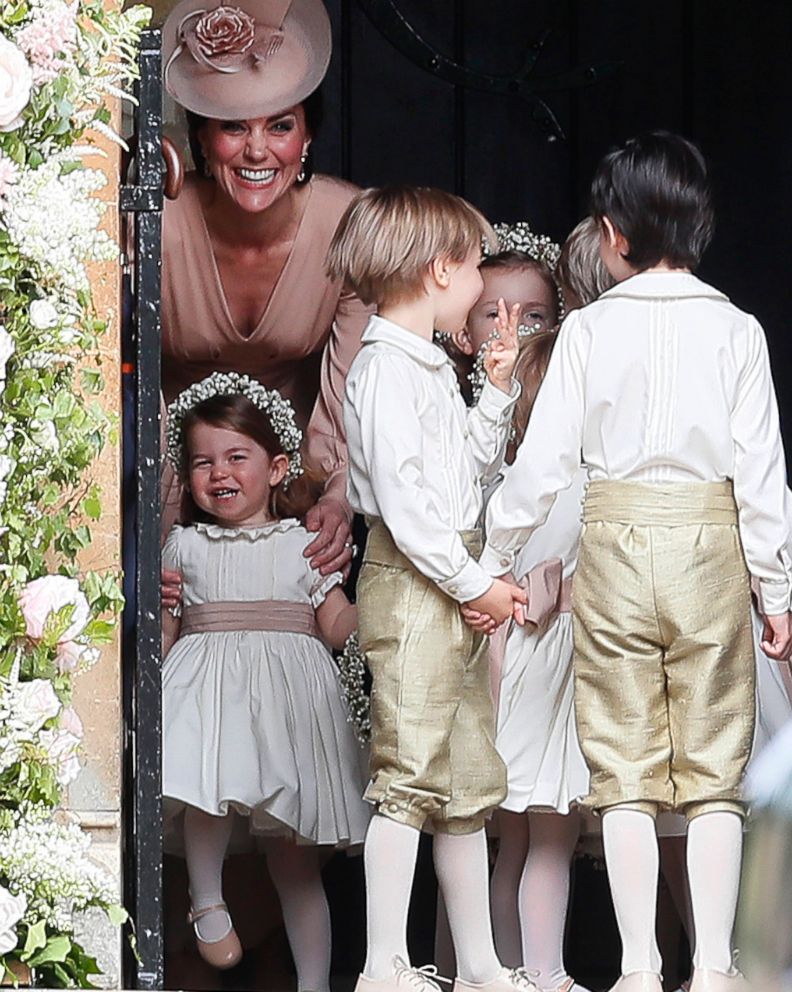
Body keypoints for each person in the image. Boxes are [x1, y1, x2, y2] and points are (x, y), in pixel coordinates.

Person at [474, 132, 792, 992]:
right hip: (708, 546)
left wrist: (493, 561)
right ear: (703, 226)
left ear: (611, 231)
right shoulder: (738, 330)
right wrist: (778, 589)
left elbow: (542, 467)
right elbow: (763, 474)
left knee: (622, 770)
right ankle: (719, 968)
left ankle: (641, 969)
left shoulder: (586, 333)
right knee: (715, 770)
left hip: (611, 546)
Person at [327, 185, 536, 992]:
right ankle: (383, 962)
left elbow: (466, 475)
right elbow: (413, 515)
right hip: (418, 586)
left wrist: (496, 389)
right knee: (409, 774)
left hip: (447, 580)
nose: (483, 281)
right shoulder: (384, 368)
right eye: (476, 264)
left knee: (462, 779)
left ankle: (478, 965)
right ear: (441, 267)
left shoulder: (428, 367)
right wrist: (476, 582)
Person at [160, 371, 370, 988]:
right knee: (208, 779)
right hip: (208, 690)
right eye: (202, 462)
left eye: (235, 457)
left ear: (278, 468)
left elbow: (333, 622)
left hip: (289, 703)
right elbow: (167, 632)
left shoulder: (302, 544)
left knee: (296, 860)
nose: (218, 473)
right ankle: (206, 896)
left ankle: (314, 983)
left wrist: (383, 608)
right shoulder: (182, 546)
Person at [160, 0, 372, 583]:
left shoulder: (346, 222)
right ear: (201, 139)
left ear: (307, 137)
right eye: (234, 127)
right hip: (170, 482)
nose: (258, 151)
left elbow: (352, 386)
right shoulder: (158, 224)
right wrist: (152, 531)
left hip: (291, 493)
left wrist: (336, 494)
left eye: (280, 125)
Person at [487, 331, 591, 992]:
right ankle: (543, 974)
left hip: (536, 663)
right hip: (557, 664)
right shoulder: (583, 486)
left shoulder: (513, 486)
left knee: (521, 839)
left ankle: (508, 972)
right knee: (547, 832)